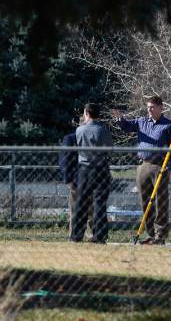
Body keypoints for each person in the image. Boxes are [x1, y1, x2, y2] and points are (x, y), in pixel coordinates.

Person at [112, 96, 171, 245]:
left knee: (160, 202)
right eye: (148, 107)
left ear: (161, 108)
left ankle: (160, 235)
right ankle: (150, 234)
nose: (149, 110)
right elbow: (127, 127)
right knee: (145, 201)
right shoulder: (142, 122)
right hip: (143, 165)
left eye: (152, 107)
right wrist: (120, 119)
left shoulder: (169, 125)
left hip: (160, 166)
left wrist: (168, 167)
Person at [70, 103, 113, 244]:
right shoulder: (103, 130)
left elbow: (78, 147)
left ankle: (76, 235)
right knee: (100, 203)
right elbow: (109, 150)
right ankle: (99, 236)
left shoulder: (79, 130)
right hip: (101, 168)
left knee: (81, 203)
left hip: (84, 169)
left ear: (87, 113)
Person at [59, 118, 93, 240]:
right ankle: (74, 236)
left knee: (92, 210)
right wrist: (68, 180)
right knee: (75, 210)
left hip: (92, 179)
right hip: (76, 181)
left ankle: (92, 235)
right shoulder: (70, 139)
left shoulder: (93, 138)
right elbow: (64, 161)